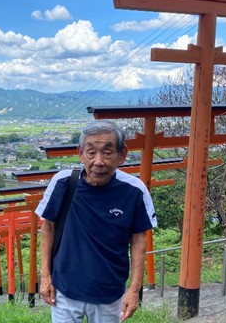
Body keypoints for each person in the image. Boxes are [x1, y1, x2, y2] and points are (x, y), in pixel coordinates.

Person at [35, 120, 157, 322]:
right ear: (81, 153)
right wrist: (45, 277)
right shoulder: (63, 182)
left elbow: (139, 240)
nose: (98, 161)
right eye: (91, 152)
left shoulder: (134, 190)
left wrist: (134, 290)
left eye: (107, 153)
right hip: (64, 289)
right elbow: (48, 228)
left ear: (122, 154)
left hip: (109, 294)